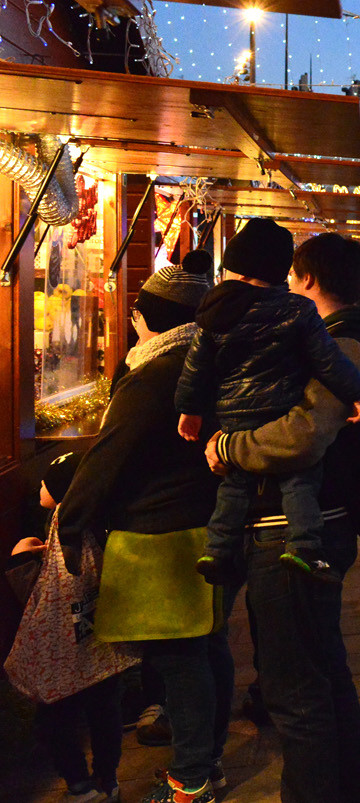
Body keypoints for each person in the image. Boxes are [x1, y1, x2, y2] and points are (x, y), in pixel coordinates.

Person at [209, 233, 360, 803]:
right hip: (306, 525)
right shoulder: (337, 338)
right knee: (323, 673)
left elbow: (305, 436)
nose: (285, 287)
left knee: (296, 692)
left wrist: (229, 446)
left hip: (298, 531)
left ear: (308, 280)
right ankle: (354, 789)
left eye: (291, 278)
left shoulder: (344, 343)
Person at [56, 259, 235, 803]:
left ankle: (191, 777)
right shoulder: (207, 361)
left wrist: (70, 520)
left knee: (180, 659)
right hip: (208, 525)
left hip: (159, 535)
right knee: (207, 649)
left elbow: (110, 456)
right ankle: (208, 762)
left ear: (144, 317)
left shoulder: (156, 372)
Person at [176, 219, 360, 585]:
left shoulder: (213, 314)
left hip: (233, 414)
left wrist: (190, 410)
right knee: (298, 482)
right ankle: (304, 547)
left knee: (233, 485)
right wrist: (356, 392)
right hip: (280, 405)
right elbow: (327, 360)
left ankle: (216, 550)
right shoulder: (297, 311)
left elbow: (195, 368)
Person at [8, 453, 126, 803]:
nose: (39, 488)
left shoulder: (64, 519)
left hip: (64, 651)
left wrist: (19, 559)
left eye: (45, 483)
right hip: (102, 648)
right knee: (105, 711)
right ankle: (108, 779)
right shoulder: (100, 518)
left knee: (54, 716)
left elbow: (43, 593)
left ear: (61, 491)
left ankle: (79, 786)